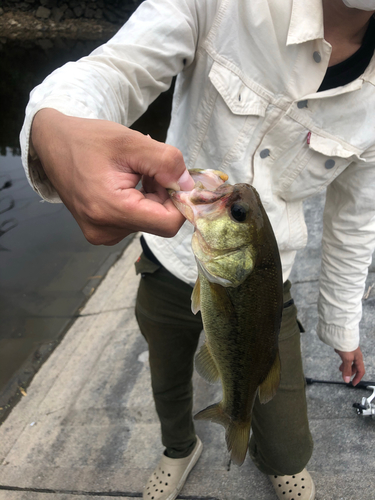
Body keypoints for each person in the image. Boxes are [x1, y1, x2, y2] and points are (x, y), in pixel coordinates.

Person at [20, 0, 375, 499]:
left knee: (280, 422)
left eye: (236, 211)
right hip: (165, 266)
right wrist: (58, 127)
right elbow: (115, 67)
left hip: (268, 288)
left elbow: (356, 221)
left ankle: (269, 449)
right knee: (168, 382)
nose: (233, 197)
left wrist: (343, 327)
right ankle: (179, 448)